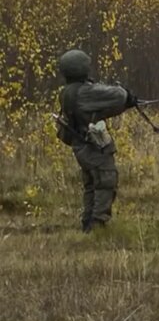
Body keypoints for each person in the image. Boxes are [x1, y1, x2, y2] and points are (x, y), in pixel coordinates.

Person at [54, 50, 138, 232]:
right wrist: (127, 97)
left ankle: (88, 224)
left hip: (81, 147)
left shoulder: (67, 92)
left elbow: (98, 108)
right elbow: (117, 96)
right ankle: (97, 225)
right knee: (105, 182)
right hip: (93, 148)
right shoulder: (84, 92)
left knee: (92, 186)